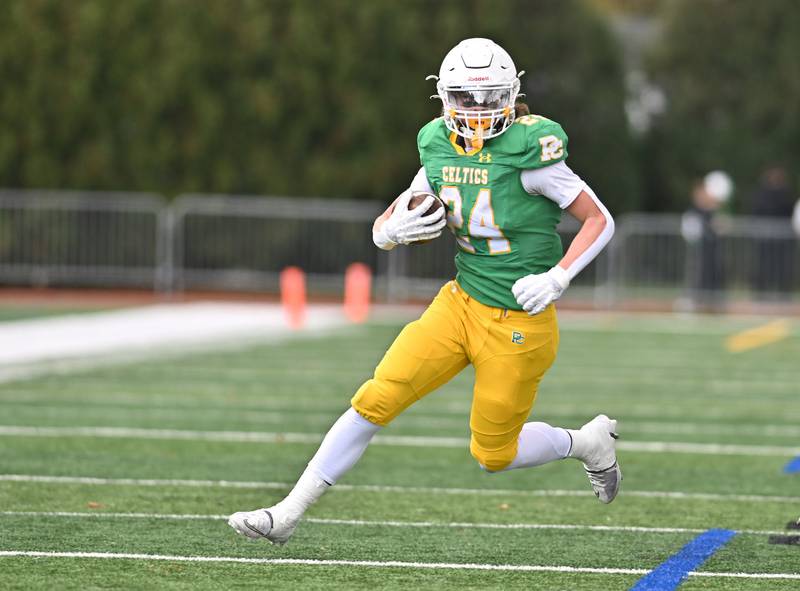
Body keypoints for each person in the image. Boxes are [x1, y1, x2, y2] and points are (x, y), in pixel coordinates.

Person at [228, 38, 619, 545]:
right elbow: (397, 211)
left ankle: (585, 442)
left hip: (520, 320)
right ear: (443, 97)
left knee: (492, 454)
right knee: (376, 397)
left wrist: (558, 276)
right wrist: (386, 233)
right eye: (465, 98)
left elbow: (599, 219)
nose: (478, 111)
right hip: (459, 304)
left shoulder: (533, 151)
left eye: (490, 97)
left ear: (512, 94)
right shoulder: (436, 144)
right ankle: (288, 513)